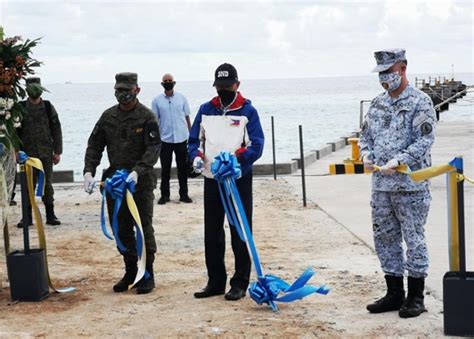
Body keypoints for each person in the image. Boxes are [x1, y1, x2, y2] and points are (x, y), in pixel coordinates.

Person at [359, 49, 436, 318]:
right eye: (380, 73)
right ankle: (394, 293)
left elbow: (425, 140)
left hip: (410, 186)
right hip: (381, 186)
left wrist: (399, 160)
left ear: (402, 69)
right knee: (385, 238)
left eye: (388, 72)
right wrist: (365, 155)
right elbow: (364, 136)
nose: (384, 78)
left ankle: (416, 296)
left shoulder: (420, 102)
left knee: (414, 239)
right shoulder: (377, 103)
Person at [188, 63, 264, 301]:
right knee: (212, 232)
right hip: (212, 179)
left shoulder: (247, 112)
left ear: (237, 85)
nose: (223, 91)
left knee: (239, 229)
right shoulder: (205, 110)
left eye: (227, 86)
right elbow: (193, 141)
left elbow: (257, 145)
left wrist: (235, 160)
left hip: (238, 179)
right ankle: (215, 281)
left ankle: (240, 282)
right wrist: (197, 158)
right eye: (219, 87)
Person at [83, 72, 161, 294]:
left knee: (143, 227)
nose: (123, 94)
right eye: (119, 90)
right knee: (121, 228)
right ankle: (130, 270)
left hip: (140, 183)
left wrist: (137, 171)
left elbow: (154, 148)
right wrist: (89, 171)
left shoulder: (147, 117)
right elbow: (94, 145)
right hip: (115, 183)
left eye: (127, 90)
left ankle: (147, 274)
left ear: (137, 90)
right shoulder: (108, 117)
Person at [17, 77, 62, 226]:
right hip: (26, 155)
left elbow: (56, 129)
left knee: (47, 185)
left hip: (45, 153)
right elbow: (15, 132)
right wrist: (16, 152)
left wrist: (57, 151)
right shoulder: (21, 107)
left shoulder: (48, 107)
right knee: (27, 185)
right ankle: (27, 217)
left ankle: (50, 215)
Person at [151, 73, 192, 205]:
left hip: (181, 138)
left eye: (170, 80)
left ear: (174, 82)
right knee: (165, 169)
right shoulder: (157, 101)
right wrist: (154, 139)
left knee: (182, 169)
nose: (168, 82)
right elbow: (155, 121)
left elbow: (187, 117)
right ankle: (165, 195)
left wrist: (192, 136)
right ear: (162, 84)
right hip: (165, 140)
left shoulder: (182, 98)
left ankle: (184, 194)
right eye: (165, 81)